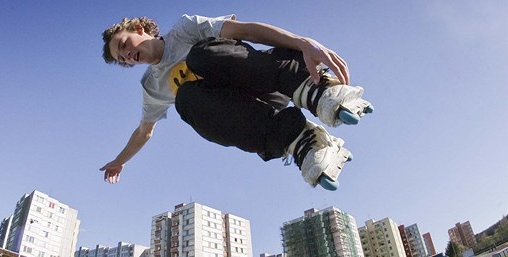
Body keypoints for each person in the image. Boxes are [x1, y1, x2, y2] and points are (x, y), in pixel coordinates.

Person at [100, 14, 373, 189]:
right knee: (185, 98)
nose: (126, 56)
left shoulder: (185, 29)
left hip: (265, 81)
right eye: (121, 59)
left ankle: (310, 87)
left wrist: (302, 43)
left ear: (139, 29)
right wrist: (119, 160)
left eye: (124, 45)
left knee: (200, 57)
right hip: (252, 114)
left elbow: (247, 31)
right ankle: (297, 138)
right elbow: (144, 131)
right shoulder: (151, 85)